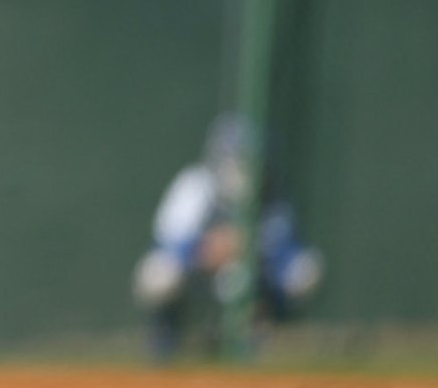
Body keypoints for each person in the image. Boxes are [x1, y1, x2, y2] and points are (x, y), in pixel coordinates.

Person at [131, 113, 323, 359]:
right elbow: (169, 243)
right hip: (197, 272)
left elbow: (285, 250)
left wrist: (249, 247)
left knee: (301, 272)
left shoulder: (274, 195)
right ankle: (166, 337)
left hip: (250, 276)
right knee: (159, 274)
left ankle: (256, 339)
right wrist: (209, 247)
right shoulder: (195, 185)